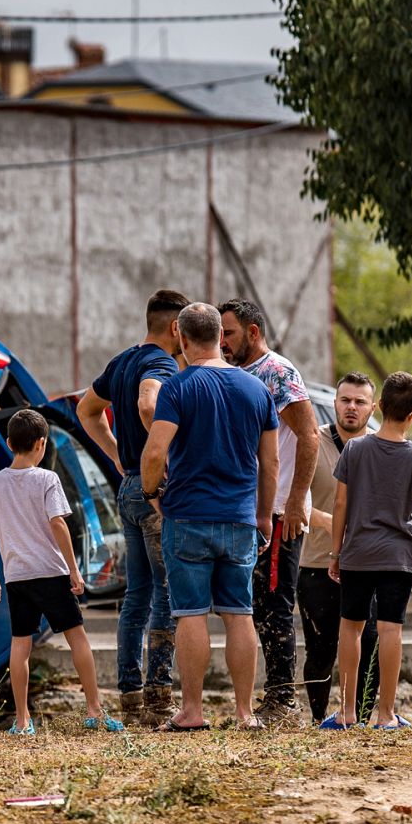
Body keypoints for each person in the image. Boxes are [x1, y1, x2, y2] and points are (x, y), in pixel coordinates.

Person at [141, 303, 278, 731]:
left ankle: (192, 711)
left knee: (191, 614)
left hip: (187, 516)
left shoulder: (177, 388)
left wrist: (152, 493)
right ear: (222, 335)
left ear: (179, 334)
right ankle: (244, 712)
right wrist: (263, 516)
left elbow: (155, 451)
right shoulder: (257, 390)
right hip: (239, 517)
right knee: (240, 613)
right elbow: (270, 463)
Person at [76, 289, 190, 725]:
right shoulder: (161, 363)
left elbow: (87, 410)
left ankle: (130, 696)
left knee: (136, 596)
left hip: (127, 488)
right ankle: (160, 700)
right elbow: (148, 404)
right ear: (176, 328)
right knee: (165, 592)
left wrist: (119, 455)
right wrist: (155, 458)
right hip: (154, 489)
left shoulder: (122, 360)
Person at [0, 409, 123, 735]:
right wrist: (74, 570)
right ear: (41, 444)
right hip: (50, 571)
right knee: (77, 638)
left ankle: (22, 721)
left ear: (8, 443)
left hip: (17, 576)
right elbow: (58, 524)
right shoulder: (47, 479)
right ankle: (94, 711)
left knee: (20, 646)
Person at [218, 300, 319, 726]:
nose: (223, 342)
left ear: (253, 332)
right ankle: (271, 698)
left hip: (279, 511)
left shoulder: (278, 372)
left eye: (230, 333)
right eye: (220, 333)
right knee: (256, 606)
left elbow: (311, 436)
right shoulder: (237, 374)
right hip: (250, 509)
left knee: (275, 605)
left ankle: (283, 703)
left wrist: (295, 501)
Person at [327, 371, 412, 730]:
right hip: (398, 558)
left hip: (357, 553)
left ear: (378, 406)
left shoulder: (356, 448)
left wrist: (335, 553)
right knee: (391, 630)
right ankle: (386, 714)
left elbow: (341, 503)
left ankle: (346, 713)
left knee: (351, 628)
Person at [298, 373, 380, 725]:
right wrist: (335, 524)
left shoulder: (382, 446)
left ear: (372, 408)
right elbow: (295, 504)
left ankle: (360, 719)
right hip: (317, 562)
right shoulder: (312, 442)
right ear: (334, 403)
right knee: (321, 650)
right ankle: (319, 720)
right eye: (345, 400)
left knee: (371, 646)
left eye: (360, 401)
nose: (352, 407)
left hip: (370, 567)